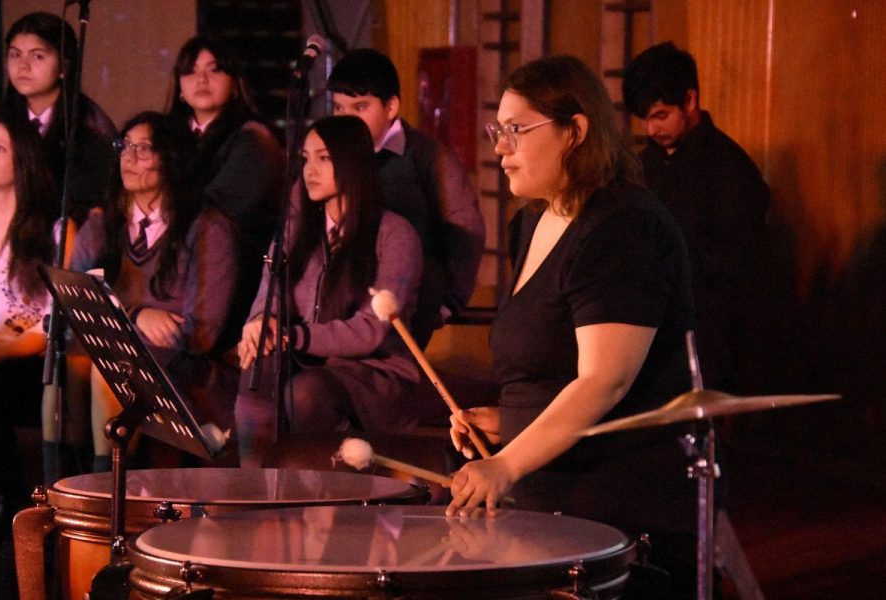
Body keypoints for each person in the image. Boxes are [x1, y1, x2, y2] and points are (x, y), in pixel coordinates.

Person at [446, 56, 699, 598]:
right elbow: (551, 359)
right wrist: (513, 419)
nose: (499, 147)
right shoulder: (531, 220)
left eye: (516, 130)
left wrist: (506, 464)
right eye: (498, 131)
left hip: (613, 495)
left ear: (575, 132)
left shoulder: (622, 226)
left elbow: (604, 380)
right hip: (546, 484)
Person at [235, 115, 423, 467]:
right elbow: (269, 287)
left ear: (351, 163)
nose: (310, 170)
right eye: (305, 159)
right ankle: (254, 489)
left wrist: (295, 337)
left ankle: (313, 497)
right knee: (257, 366)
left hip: (371, 373)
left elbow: (372, 330)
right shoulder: (297, 227)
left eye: (324, 158)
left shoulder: (395, 234)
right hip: (305, 356)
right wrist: (262, 321)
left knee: (305, 395)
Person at [71, 112, 239, 470]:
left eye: (143, 149)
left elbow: (201, 333)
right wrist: (135, 316)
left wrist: (123, 320)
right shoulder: (103, 224)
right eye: (124, 146)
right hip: (119, 349)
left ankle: (108, 492)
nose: (128, 158)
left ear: (170, 159)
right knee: (71, 360)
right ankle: (63, 492)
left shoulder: (207, 227)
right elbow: (75, 304)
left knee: (110, 366)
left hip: (185, 364)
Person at [623, 42, 770, 392]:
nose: (651, 129)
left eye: (660, 116)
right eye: (645, 119)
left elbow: (737, 262)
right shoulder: (642, 166)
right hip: (644, 331)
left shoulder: (731, 169)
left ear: (690, 101)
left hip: (706, 337)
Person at [326, 48, 484, 348]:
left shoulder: (426, 155)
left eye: (359, 108)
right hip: (344, 294)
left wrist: (450, 301)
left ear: (391, 106)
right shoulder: (326, 154)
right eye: (338, 108)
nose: (346, 119)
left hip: (407, 296)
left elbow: (466, 230)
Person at [167, 36, 285, 353]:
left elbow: (214, 215)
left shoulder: (255, 141)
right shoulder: (166, 138)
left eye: (215, 70)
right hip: (171, 273)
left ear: (234, 83)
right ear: (179, 86)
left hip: (230, 283)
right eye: (190, 72)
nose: (201, 80)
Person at [0, 110, 58, 550]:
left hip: (28, 364)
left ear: (23, 160)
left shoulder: (51, 229)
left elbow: (49, 328)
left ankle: (13, 501)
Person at [2, 11, 117, 226]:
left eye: (38, 56)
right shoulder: (1, 123)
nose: (23, 66)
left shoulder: (90, 128)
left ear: (64, 67)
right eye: (15, 54)